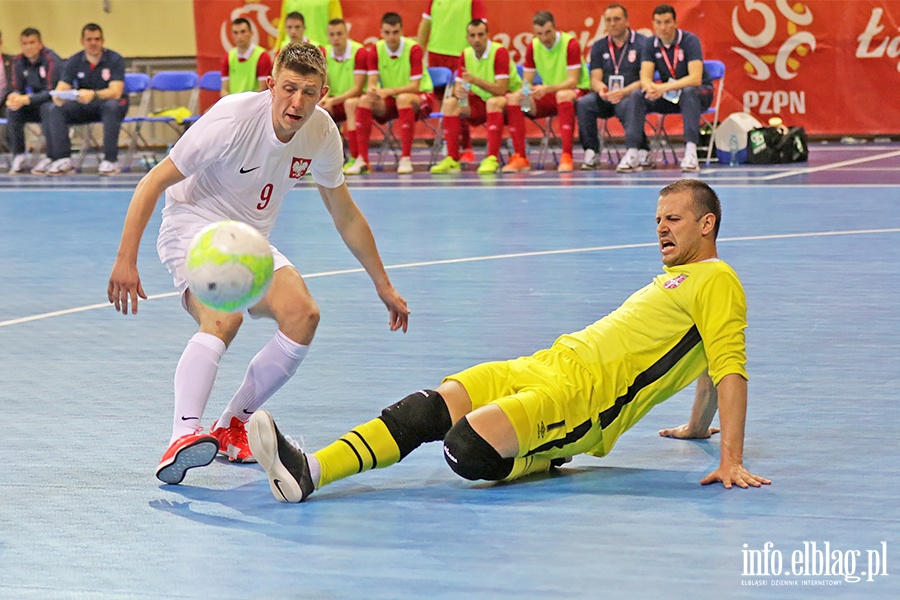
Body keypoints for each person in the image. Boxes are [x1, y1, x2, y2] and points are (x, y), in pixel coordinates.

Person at [247, 178, 772, 503]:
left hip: (580, 399)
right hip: (547, 362)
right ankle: (310, 470)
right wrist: (696, 428)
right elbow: (705, 362)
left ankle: (546, 457)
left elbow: (728, 365)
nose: (660, 228)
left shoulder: (719, 280)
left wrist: (730, 458)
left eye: (673, 219)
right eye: (657, 219)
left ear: (708, 224)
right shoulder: (680, 281)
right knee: (425, 409)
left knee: (466, 450)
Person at [106, 43, 410, 486]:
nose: (297, 102)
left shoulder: (322, 133)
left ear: (323, 93)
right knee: (225, 315)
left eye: (308, 92)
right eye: (289, 89)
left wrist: (382, 284)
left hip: (250, 240)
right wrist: (124, 259)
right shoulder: (232, 119)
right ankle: (182, 435)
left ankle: (232, 425)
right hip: (195, 225)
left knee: (303, 315)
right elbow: (153, 181)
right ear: (271, 84)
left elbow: (344, 212)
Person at [345, 12, 436, 175]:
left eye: (395, 32)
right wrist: (373, 89)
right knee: (365, 100)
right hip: (392, 99)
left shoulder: (413, 49)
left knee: (403, 99)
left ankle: (406, 158)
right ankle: (362, 160)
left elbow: (415, 86)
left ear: (402, 32)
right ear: (381, 32)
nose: (391, 37)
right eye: (387, 33)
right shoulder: (376, 49)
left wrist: (389, 91)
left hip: (420, 97)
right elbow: (372, 80)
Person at [430, 19, 520, 175]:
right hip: (481, 101)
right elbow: (460, 85)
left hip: (510, 102)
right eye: (472, 35)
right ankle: (452, 159)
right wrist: (459, 93)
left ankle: (492, 158)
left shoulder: (499, 52)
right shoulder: (466, 54)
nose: (476, 39)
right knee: (450, 103)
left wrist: (474, 80)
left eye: (480, 35)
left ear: (488, 36)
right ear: (467, 38)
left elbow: (501, 89)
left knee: (493, 101)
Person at [503, 11, 590, 173]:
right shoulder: (533, 46)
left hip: (577, 92)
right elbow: (527, 81)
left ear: (556, 28)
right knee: (515, 99)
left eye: (548, 32)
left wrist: (546, 88)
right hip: (550, 93)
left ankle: (567, 156)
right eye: (539, 34)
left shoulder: (570, 44)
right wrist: (525, 93)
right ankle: (520, 157)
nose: (544, 38)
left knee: (563, 95)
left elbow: (572, 81)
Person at [38, 23, 127, 176]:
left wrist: (93, 94)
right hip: (84, 105)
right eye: (89, 39)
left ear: (102, 41)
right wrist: (59, 96)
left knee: (112, 106)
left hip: (107, 104)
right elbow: (61, 87)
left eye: (97, 39)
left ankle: (110, 160)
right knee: (52, 108)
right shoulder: (74, 61)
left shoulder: (115, 59)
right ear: (82, 41)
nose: (93, 43)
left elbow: (116, 91)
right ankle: (63, 159)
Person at [576, 4, 652, 172]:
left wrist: (624, 91)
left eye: (617, 19)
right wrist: (601, 89)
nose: (612, 24)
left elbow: (646, 78)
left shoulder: (643, 43)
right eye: (608, 20)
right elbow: (594, 79)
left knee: (632, 101)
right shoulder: (599, 46)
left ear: (626, 21)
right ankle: (591, 151)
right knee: (584, 103)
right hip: (607, 96)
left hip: (631, 94)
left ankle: (640, 149)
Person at [639, 4, 714, 172]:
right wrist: (650, 87)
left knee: (688, 93)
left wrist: (664, 87)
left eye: (667, 22)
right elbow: (645, 76)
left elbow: (695, 79)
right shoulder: (650, 43)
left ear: (675, 22)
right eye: (658, 23)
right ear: (653, 24)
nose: (663, 27)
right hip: (671, 96)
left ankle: (690, 152)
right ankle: (639, 150)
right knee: (637, 96)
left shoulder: (690, 40)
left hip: (700, 92)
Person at [416, 0, 488, 164]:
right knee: (446, 104)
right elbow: (425, 23)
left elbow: (479, 28)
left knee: (461, 99)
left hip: (460, 54)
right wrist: (418, 54)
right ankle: (453, 145)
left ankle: (467, 147)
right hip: (436, 54)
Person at [5, 28, 63, 174]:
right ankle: (19, 155)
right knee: (13, 109)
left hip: (54, 104)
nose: (28, 47)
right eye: (24, 43)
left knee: (48, 108)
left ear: (40, 44)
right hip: (33, 104)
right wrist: (13, 98)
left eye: (32, 42)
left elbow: (53, 92)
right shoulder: (18, 61)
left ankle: (52, 156)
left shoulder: (51, 59)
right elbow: (17, 89)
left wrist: (26, 99)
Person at [318, 18, 367, 173]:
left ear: (347, 33)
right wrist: (324, 100)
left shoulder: (359, 52)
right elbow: (324, 84)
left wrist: (334, 100)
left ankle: (355, 157)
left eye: (339, 34)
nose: (336, 38)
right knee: (317, 109)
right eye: (332, 35)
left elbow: (358, 88)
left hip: (357, 100)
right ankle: (322, 159)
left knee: (350, 104)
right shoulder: (324, 53)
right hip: (335, 100)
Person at [220, 18, 273, 97]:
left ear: (251, 33)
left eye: (243, 32)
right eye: (235, 33)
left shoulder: (262, 56)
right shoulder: (228, 57)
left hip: (254, 103)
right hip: (233, 103)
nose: (239, 36)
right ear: (232, 35)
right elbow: (224, 89)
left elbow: (263, 90)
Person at [275, 0, 342, 52]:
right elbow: (283, 25)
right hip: (290, 50)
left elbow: (337, 25)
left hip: (319, 50)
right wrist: (277, 49)